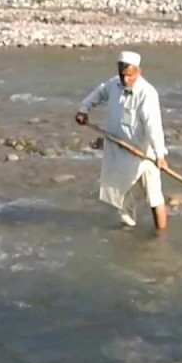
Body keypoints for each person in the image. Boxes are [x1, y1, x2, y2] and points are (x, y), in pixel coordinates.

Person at [75, 51, 169, 231]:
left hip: (142, 153)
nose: (126, 80)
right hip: (118, 147)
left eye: (130, 76)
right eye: (123, 76)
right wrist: (84, 109)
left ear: (139, 72)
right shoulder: (114, 84)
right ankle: (127, 232)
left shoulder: (147, 94)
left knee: (154, 196)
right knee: (120, 191)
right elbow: (100, 92)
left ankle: (161, 238)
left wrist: (160, 155)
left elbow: (153, 126)